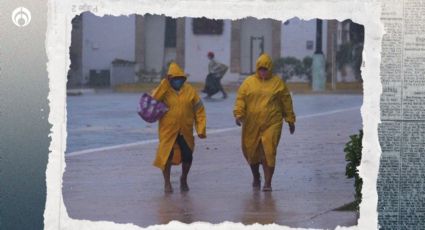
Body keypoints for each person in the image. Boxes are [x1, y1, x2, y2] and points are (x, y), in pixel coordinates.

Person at [233, 53, 296, 192]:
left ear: (270, 69)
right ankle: (256, 176)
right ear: (257, 68)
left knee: (269, 151)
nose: (262, 71)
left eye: (265, 69)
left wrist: (290, 120)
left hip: (272, 123)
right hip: (251, 123)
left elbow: (286, 102)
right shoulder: (248, 82)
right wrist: (238, 114)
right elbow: (240, 99)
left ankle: (268, 183)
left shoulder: (277, 83)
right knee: (251, 151)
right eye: (260, 69)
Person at [151, 62, 207, 193]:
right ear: (169, 79)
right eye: (174, 79)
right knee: (166, 156)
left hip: (185, 130)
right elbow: (153, 100)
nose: (178, 81)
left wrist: (201, 128)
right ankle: (167, 183)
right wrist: (164, 85)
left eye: (180, 79)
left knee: (188, 156)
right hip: (168, 130)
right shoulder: (163, 90)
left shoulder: (190, 91)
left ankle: (184, 179)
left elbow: (199, 110)